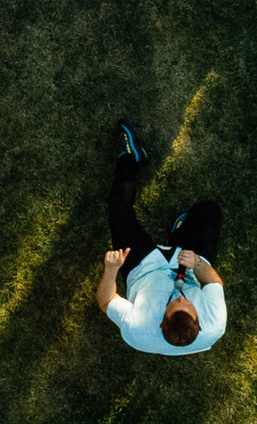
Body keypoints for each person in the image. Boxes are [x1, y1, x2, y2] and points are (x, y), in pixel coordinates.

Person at [91, 122, 228, 356]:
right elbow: (214, 283)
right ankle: (179, 237)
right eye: (188, 303)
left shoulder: (137, 327)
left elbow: (106, 301)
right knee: (209, 210)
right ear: (200, 322)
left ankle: (131, 158)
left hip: (143, 269)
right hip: (188, 265)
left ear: (161, 322)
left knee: (119, 210)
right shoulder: (214, 323)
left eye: (174, 303)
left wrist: (111, 270)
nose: (181, 297)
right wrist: (196, 263)